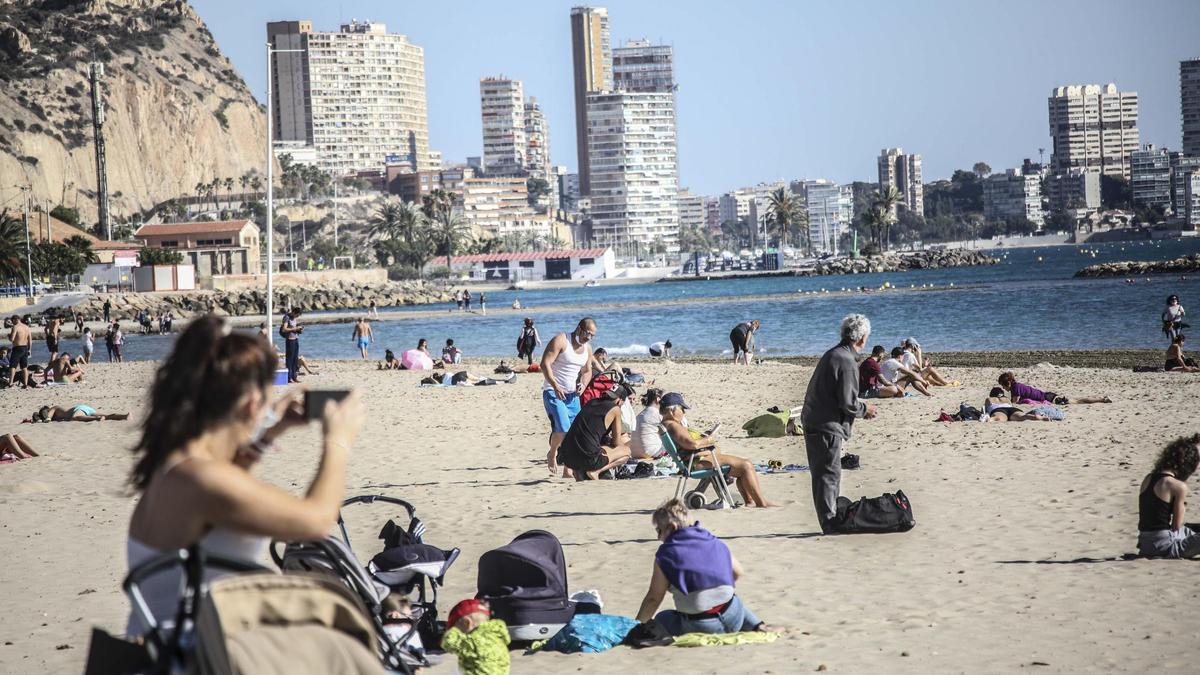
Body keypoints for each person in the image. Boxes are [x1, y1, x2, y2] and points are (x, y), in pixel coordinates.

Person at [125, 314, 365, 638]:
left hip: (168, 646)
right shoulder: (202, 481)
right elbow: (318, 521)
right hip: (199, 657)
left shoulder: (177, 466)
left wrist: (270, 432)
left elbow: (220, 504)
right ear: (252, 405)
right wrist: (339, 440)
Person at [634, 499, 771, 636]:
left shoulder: (666, 554)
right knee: (732, 600)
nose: (658, 537)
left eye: (659, 530)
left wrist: (635, 627)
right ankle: (758, 625)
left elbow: (654, 598)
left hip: (700, 625)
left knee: (663, 617)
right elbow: (738, 573)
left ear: (672, 527)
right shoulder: (712, 540)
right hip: (735, 616)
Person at [800, 314, 878, 533]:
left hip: (816, 420)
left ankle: (830, 517)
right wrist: (866, 409)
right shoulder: (846, 360)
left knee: (824, 473)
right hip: (825, 424)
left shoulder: (834, 354)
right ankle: (829, 522)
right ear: (861, 339)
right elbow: (848, 402)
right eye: (867, 337)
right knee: (828, 474)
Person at [661, 392, 776, 507]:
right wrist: (708, 439)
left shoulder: (667, 424)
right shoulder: (674, 425)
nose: (684, 412)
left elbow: (686, 445)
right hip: (696, 462)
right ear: (672, 410)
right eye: (682, 408)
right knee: (746, 465)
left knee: (742, 469)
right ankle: (761, 503)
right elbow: (693, 444)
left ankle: (750, 501)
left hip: (693, 460)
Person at [540, 318, 600, 476]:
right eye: (588, 333)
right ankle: (552, 453)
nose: (589, 338)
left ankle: (568, 469)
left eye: (592, 336)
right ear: (579, 328)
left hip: (573, 395)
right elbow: (545, 364)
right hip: (553, 392)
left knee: (574, 433)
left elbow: (587, 371)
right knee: (564, 428)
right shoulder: (561, 340)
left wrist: (583, 384)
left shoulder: (587, 348)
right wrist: (555, 385)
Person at [1136, 433, 1200, 558]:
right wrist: (1182, 505)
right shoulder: (1178, 486)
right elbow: (1176, 526)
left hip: (1145, 544)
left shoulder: (1148, 479)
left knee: (1192, 529)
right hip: (1165, 547)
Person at [556, 383, 634, 480]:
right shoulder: (615, 409)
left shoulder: (591, 402)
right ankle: (596, 471)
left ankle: (580, 474)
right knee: (626, 451)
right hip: (588, 458)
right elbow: (616, 442)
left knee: (585, 446)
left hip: (567, 457)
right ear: (619, 401)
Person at [440, 599, 510, 675]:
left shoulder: (473, 641)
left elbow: (448, 643)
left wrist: (452, 631)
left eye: (458, 629)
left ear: (467, 623)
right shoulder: (496, 635)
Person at [998, 372, 1111, 404]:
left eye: (1002, 385)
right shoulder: (1017, 386)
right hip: (1048, 395)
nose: (1003, 388)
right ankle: (1102, 399)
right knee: (1077, 400)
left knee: (1078, 401)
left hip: (1049, 398)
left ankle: (1102, 399)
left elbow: (1015, 402)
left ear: (1007, 383)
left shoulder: (1015, 387)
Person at [630, 388, 667, 460]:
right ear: (658, 399)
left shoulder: (641, 414)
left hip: (634, 453)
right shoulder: (657, 413)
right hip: (650, 452)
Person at [983, 387, 1051, 422]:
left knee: (998, 419)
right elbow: (1011, 405)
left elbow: (985, 410)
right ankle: (1040, 417)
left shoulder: (989, 399)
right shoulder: (1006, 399)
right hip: (1012, 409)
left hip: (998, 410)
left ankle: (990, 419)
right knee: (1024, 416)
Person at [25, 404, 129, 422]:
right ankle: (124, 416)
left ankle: (96, 419)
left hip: (78, 409)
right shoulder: (58, 412)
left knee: (76, 418)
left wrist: (40, 419)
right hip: (85, 408)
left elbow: (48, 418)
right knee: (106, 416)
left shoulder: (54, 408)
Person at [280, 307, 303, 383]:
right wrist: (295, 329)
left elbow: (294, 327)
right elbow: (284, 329)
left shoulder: (294, 318)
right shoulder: (287, 317)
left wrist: (299, 330)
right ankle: (289, 377)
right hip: (290, 340)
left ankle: (294, 376)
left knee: (295, 359)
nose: (297, 317)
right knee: (290, 359)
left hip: (295, 339)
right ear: (294, 312)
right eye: (297, 315)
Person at [8, 315, 31, 388]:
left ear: (15, 320)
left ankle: (10, 383)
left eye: (12, 321)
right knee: (24, 367)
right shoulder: (27, 327)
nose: (12, 323)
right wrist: (29, 349)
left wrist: (9, 336)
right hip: (25, 347)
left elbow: (12, 339)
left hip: (17, 348)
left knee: (12, 366)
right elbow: (30, 340)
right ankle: (25, 384)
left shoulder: (15, 327)